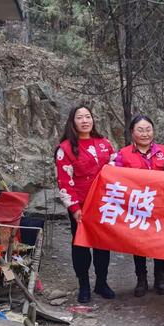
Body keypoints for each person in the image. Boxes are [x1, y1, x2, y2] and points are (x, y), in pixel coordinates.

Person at [55, 105, 116, 303]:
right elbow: (64, 181)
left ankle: (101, 282)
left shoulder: (104, 143)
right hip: (81, 206)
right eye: (79, 117)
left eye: (87, 116)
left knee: (102, 245)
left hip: (103, 204)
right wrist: (74, 209)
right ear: (73, 122)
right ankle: (84, 285)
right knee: (80, 246)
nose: (84, 121)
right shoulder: (65, 149)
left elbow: (116, 170)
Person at [113, 115, 164, 297]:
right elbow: (116, 178)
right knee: (139, 243)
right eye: (140, 130)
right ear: (132, 133)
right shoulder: (123, 154)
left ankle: (159, 278)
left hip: (160, 205)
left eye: (148, 129)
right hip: (136, 206)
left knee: (160, 242)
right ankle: (141, 279)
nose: (145, 134)